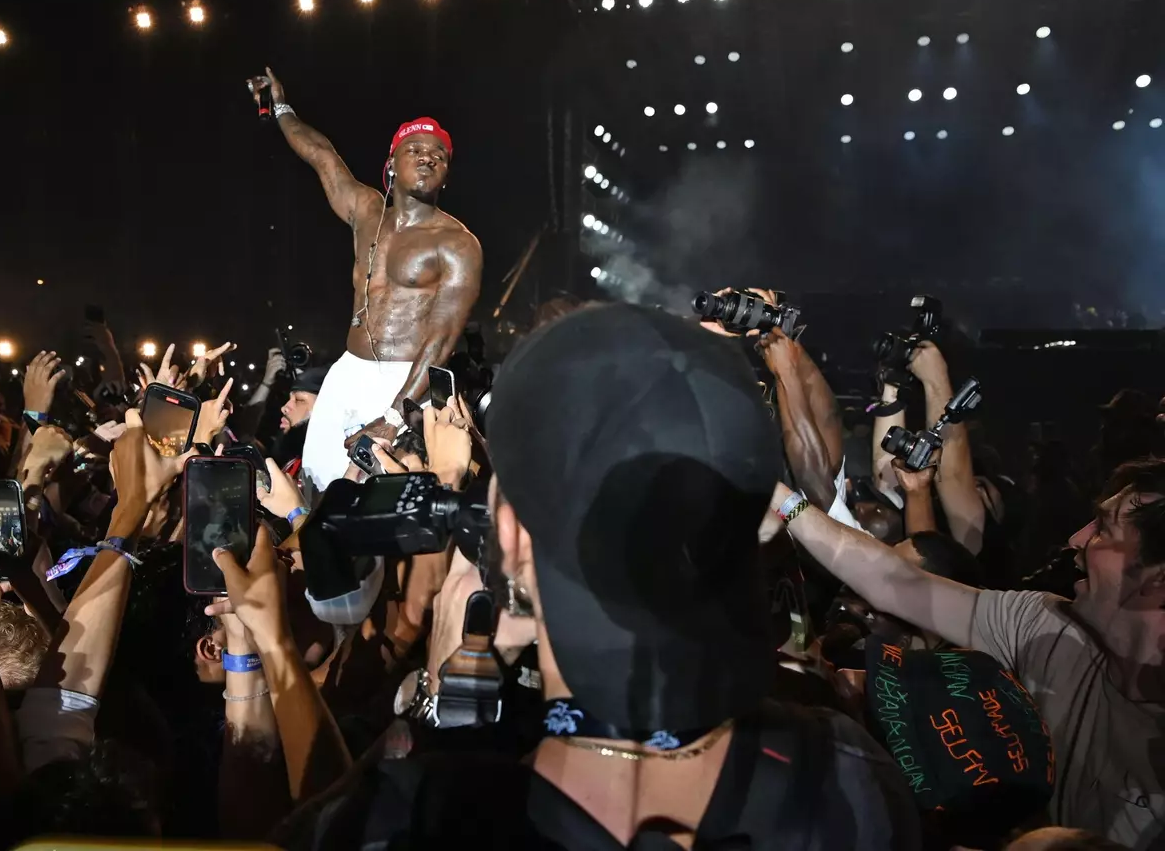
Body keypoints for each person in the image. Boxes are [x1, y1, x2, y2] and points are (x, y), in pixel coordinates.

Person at [287, 304, 919, 848]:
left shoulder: (412, 819)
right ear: (750, 532)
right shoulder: (846, 777)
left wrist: (440, 704)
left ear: (509, 542)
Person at [772, 456, 1165, 848]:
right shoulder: (1045, 624)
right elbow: (894, 580)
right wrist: (781, 500)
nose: (1077, 539)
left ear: (1157, 577)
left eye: (1104, 531)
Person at [246, 68, 483, 493]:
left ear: (446, 174)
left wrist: (393, 417)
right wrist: (280, 106)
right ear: (391, 164)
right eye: (415, 149)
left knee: (376, 503)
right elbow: (320, 154)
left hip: (405, 381)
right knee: (316, 492)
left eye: (439, 154)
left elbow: (441, 343)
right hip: (346, 371)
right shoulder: (366, 212)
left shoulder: (458, 244)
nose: (428, 157)